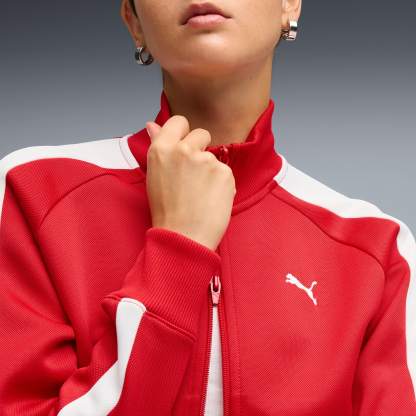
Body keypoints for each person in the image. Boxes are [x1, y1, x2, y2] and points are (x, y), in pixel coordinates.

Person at [0, 0, 415, 414]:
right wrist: (178, 249)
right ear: (134, 21)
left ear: (289, 4)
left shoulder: (378, 249)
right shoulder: (35, 192)